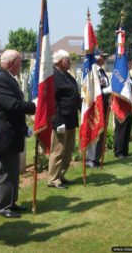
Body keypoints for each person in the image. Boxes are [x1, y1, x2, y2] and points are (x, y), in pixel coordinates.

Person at [0, 49, 36, 218]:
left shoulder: (8, 78)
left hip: (12, 133)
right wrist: (32, 106)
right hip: (4, 134)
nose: (21, 65)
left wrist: (24, 128)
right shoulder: (0, 79)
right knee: (5, 172)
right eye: (19, 62)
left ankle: (10, 202)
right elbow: (11, 105)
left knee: (13, 170)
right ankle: (1, 207)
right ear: (10, 63)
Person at [47, 50, 81, 189]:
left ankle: (60, 175)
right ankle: (53, 179)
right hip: (61, 119)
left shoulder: (67, 75)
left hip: (71, 118)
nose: (69, 62)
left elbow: (73, 93)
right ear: (59, 61)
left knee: (68, 150)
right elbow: (52, 101)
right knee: (58, 150)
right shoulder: (54, 76)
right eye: (67, 59)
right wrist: (57, 121)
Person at [86, 51, 111, 168]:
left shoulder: (101, 71)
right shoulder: (92, 71)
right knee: (94, 131)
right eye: (103, 57)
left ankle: (97, 157)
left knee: (101, 133)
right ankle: (90, 158)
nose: (105, 59)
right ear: (96, 57)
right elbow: (91, 90)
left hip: (104, 106)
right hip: (95, 107)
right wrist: (106, 91)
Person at [113, 59, 132, 158]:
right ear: (126, 63)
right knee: (120, 130)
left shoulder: (129, 76)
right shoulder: (120, 76)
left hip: (129, 107)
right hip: (121, 107)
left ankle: (125, 150)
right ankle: (119, 151)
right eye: (130, 62)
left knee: (127, 129)